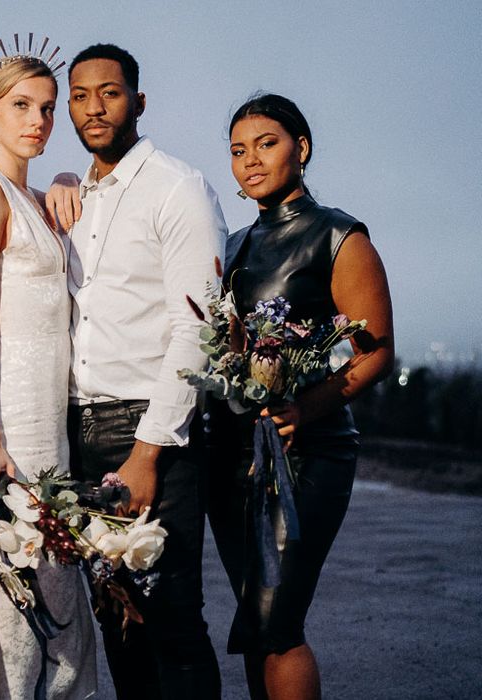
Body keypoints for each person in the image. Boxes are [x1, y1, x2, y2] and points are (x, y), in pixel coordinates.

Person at [47, 43, 226, 700]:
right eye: (81, 95)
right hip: (80, 433)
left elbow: (198, 328)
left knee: (172, 619)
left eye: (111, 92)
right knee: (116, 617)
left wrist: (149, 450)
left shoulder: (178, 188)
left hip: (150, 433)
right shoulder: (73, 198)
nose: (94, 107)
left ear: (139, 102)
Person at [207, 93, 395, 700]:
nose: (250, 161)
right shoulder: (233, 246)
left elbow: (376, 351)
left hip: (308, 458)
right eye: (238, 151)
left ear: (302, 148)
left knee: (277, 624)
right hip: (235, 459)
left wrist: (302, 409)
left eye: (266, 143)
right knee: (254, 624)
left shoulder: (338, 234)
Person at [0, 42, 97, 700]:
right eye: (20, 107)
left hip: (52, 427)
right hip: (11, 429)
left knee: (61, 602)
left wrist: (67, 177)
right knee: (20, 601)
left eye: (46, 108)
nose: (37, 119)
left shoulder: (35, 194)